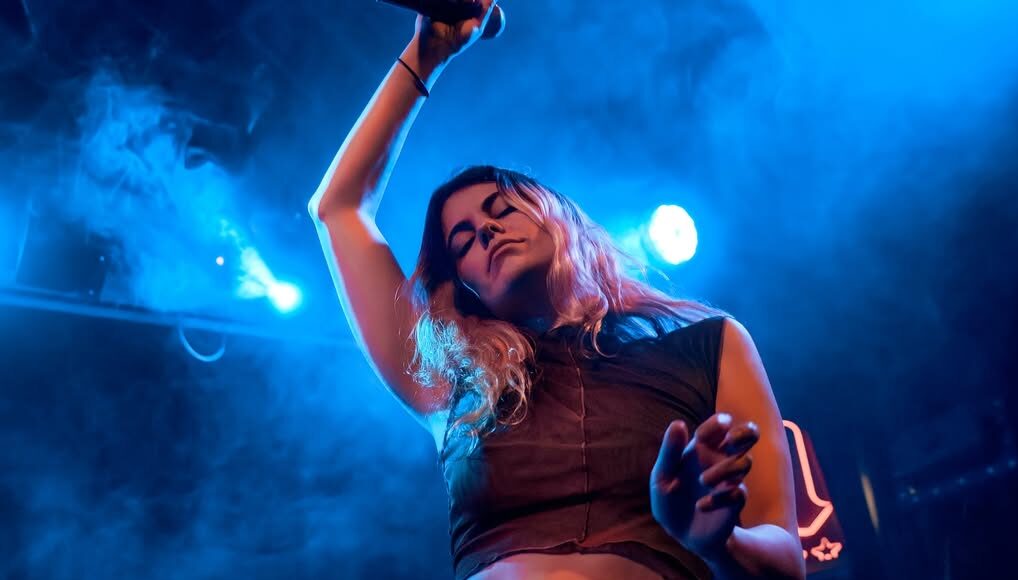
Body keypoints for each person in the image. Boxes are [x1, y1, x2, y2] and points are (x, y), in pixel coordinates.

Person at [307, 2, 804, 578]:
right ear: (465, 286)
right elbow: (338, 208)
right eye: (463, 241)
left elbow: (786, 559)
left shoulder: (710, 344)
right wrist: (427, 56)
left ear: (559, 218)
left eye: (501, 209)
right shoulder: (451, 383)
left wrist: (719, 542)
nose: (486, 230)